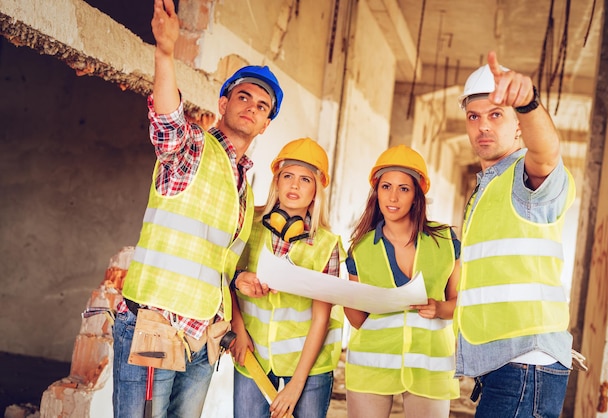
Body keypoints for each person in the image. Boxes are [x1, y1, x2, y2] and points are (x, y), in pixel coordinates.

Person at [112, 0, 284, 416]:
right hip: (158, 323)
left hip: (204, 335)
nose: (252, 108)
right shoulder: (193, 148)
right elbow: (168, 123)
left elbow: (212, 254)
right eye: (243, 97)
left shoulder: (244, 181)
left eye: (263, 107)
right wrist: (165, 52)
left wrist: (238, 278)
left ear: (266, 124)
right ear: (223, 104)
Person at [454, 51, 576, 418]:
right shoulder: (486, 188)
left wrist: (528, 103)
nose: (483, 126)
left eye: (496, 114)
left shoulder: (525, 179)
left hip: (527, 361)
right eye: (474, 117)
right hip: (505, 365)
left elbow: (547, 154)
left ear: (518, 125)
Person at [229, 138, 345, 418]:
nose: (294, 186)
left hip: (310, 366)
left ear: (316, 189)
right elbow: (228, 278)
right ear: (277, 182)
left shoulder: (327, 244)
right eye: (288, 176)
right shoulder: (250, 227)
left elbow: (321, 318)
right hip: (253, 354)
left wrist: (296, 384)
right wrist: (238, 332)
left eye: (305, 179)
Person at [343, 145, 461, 418]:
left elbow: (461, 302)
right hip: (371, 363)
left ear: (417, 196)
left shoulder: (446, 241)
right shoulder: (360, 249)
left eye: (403, 189)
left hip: (429, 366)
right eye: (386, 186)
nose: (393, 196)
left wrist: (439, 308)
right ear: (377, 191)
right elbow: (358, 317)